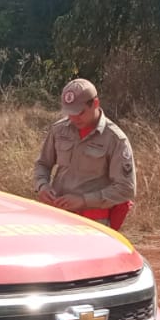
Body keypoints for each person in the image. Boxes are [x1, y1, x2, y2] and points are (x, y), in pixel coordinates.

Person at [32, 78, 136, 230]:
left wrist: (84, 200)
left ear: (95, 104)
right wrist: (42, 186)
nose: (74, 118)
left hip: (93, 222)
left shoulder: (115, 139)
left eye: (79, 113)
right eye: (69, 113)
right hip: (59, 217)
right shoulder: (58, 130)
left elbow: (126, 188)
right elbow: (43, 164)